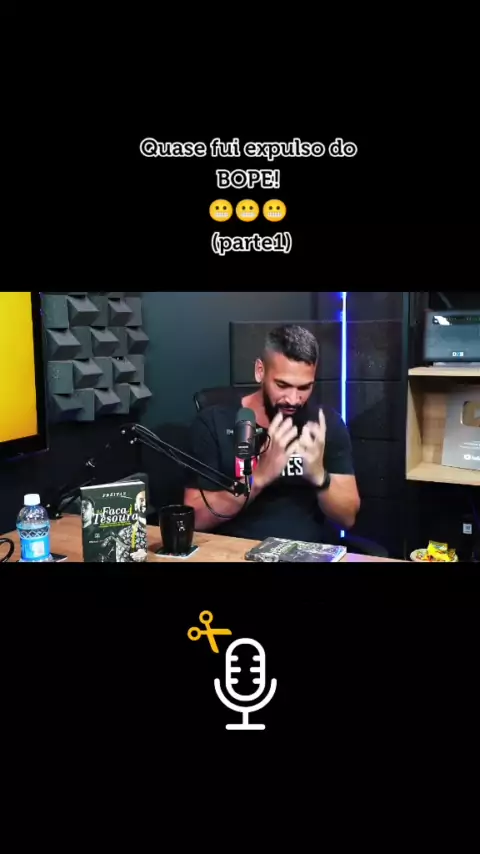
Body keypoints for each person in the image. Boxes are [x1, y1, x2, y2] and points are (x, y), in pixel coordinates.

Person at [184, 324, 360, 543]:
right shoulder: (214, 422)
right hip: (238, 551)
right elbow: (196, 518)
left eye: (304, 387)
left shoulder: (324, 425)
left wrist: (318, 476)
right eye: (282, 385)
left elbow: (347, 517)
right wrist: (259, 477)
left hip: (307, 551)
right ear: (260, 371)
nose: (293, 399)